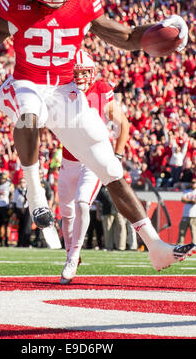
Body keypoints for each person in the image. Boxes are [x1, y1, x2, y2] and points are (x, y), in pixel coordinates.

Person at [0, 0, 194, 271]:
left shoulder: (83, 2)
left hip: (65, 91)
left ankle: (155, 246)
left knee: (109, 168)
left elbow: (127, 36)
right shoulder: (17, 4)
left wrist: (164, 29)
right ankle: (35, 194)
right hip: (27, 83)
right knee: (29, 113)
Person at [58, 50, 129, 283]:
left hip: (93, 158)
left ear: (93, 73)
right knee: (66, 213)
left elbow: (123, 123)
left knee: (81, 203)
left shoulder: (101, 89)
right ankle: (71, 252)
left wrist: (116, 155)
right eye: (75, 72)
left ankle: (73, 257)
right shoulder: (63, 90)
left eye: (84, 72)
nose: (79, 77)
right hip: (68, 159)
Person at [177, 179, 196, 250]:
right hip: (185, 214)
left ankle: (194, 248)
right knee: (182, 232)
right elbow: (183, 199)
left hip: (195, 215)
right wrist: (191, 201)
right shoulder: (186, 191)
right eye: (192, 182)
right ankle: (179, 246)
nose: (192, 184)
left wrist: (188, 200)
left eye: (194, 183)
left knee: (194, 232)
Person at [0, 170, 14, 247]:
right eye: (1, 178)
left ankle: (6, 240)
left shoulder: (9, 185)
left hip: (5, 207)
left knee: (6, 225)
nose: (2, 180)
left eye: (3, 178)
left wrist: (11, 206)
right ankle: (0, 240)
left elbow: (12, 196)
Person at [13, 177, 32, 248]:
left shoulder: (29, 191)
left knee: (27, 227)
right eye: (21, 182)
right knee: (20, 227)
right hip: (19, 210)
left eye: (24, 182)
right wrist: (15, 211)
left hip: (27, 210)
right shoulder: (17, 191)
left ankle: (27, 243)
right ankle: (20, 242)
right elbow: (14, 202)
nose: (22, 184)